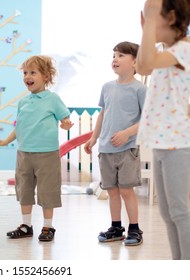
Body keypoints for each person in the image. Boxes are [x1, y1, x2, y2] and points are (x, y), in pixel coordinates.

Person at [0, 55, 73, 242]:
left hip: (47, 154)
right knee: (24, 190)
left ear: (46, 76)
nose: (27, 76)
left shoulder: (53, 99)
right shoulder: (23, 102)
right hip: (24, 153)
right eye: (25, 73)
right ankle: (26, 225)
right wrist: (5, 141)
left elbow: (65, 118)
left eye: (33, 72)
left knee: (47, 191)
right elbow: (19, 127)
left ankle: (48, 226)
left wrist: (66, 124)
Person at [136, 0, 190, 259]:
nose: (146, 20)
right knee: (168, 213)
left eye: (151, 15)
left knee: (180, 212)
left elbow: (144, 65)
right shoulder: (165, 50)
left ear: (169, 17)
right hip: (163, 141)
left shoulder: (184, 49)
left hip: (179, 143)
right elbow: (143, 64)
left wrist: (148, 24)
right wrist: (148, 24)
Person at [84, 41, 147, 246]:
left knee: (127, 190)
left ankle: (135, 229)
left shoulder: (140, 89)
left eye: (121, 56)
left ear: (135, 62)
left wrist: (127, 133)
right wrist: (94, 138)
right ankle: (116, 227)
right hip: (106, 149)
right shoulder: (107, 87)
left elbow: (147, 118)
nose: (115, 59)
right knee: (112, 190)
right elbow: (103, 114)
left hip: (128, 149)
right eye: (114, 55)